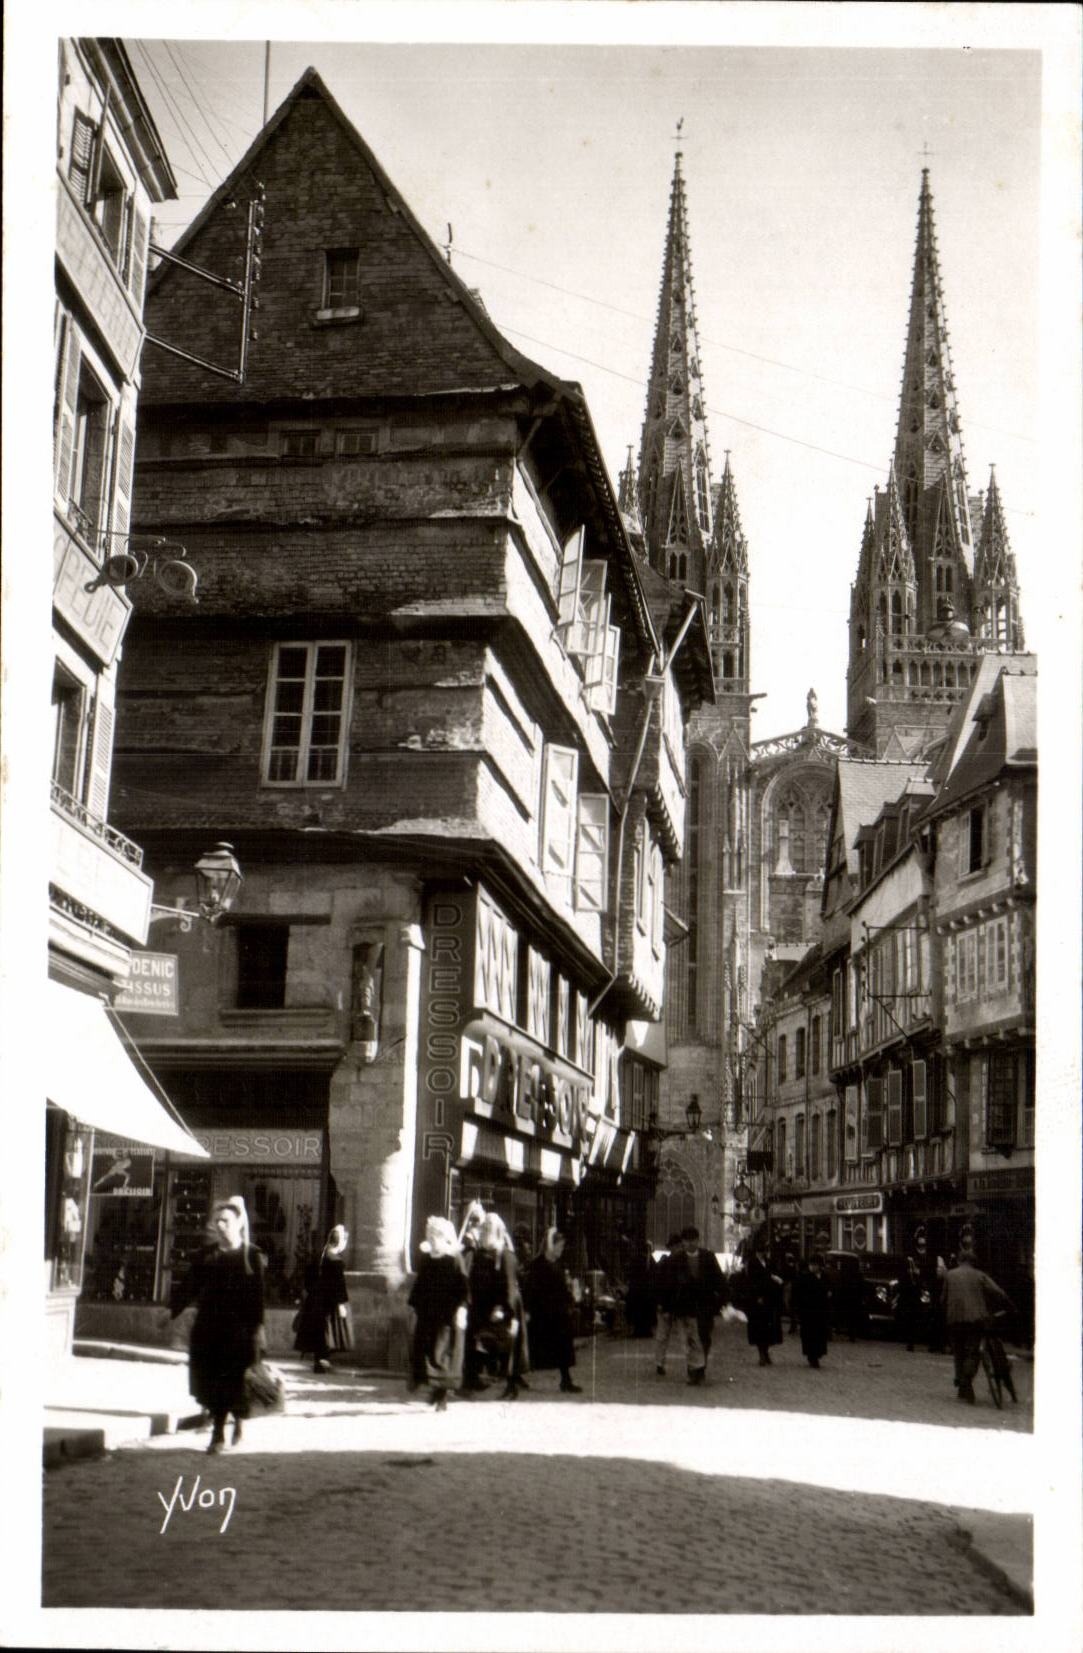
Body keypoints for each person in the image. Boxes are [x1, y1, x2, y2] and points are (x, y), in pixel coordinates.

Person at [169, 1195, 265, 1453]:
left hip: (239, 1332)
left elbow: (258, 1298)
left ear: (238, 1224)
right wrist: (171, 1311)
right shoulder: (206, 1256)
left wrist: (257, 1332)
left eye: (225, 1221)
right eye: (217, 1221)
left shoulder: (252, 1256)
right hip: (209, 1329)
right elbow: (189, 1286)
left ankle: (230, 1428)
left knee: (234, 1380)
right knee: (211, 1381)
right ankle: (220, 1430)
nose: (220, 1225)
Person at [408, 1216, 469, 1410]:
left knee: (442, 1355)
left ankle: (441, 1395)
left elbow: (463, 1288)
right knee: (423, 1350)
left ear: (444, 1237)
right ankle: (426, 1384)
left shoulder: (454, 1259)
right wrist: (413, 1307)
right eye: (430, 1234)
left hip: (446, 1316)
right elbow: (420, 1284)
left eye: (436, 1235)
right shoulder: (427, 1258)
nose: (432, 1238)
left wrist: (461, 1309)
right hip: (427, 1313)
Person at [467, 1213, 528, 1398]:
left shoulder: (505, 1256)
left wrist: (503, 1309)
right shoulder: (478, 1254)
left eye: (488, 1229)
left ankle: (511, 1385)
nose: (484, 1232)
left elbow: (509, 1285)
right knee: (478, 1342)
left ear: (498, 1232)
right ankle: (474, 1380)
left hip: (500, 1308)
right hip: (481, 1307)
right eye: (483, 1228)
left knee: (506, 1345)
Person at [943, 1248, 1013, 1404]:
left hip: (954, 1319)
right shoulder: (980, 1275)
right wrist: (1008, 1304)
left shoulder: (950, 1275)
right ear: (973, 1262)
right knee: (972, 1351)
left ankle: (961, 1383)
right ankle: (967, 1378)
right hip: (975, 1319)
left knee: (958, 1351)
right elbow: (998, 1292)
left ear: (960, 1260)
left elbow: (943, 1297)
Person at [522, 1227, 583, 1393]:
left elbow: (562, 1288)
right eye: (560, 1246)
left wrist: (570, 1298)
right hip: (542, 1315)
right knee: (534, 1348)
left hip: (557, 1314)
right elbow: (529, 1289)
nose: (561, 1250)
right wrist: (528, 1310)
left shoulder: (558, 1264)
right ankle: (515, 1376)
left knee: (563, 1347)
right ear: (551, 1245)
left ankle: (566, 1379)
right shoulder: (537, 1265)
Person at [669, 1227, 727, 1385]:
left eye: (692, 1240)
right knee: (688, 1340)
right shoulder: (676, 1259)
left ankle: (701, 1368)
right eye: (686, 1241)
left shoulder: (708, 1257)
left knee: (704, 1338)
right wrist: (669, 1305)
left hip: (705, 1306)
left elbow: (719, 1280)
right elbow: (669, 1284)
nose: (690, 1244)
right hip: (685, 1307)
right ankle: (692, 1371)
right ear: (683, 1242)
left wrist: (723, 1301)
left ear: (697, 1240)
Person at [294, 1224, 351, 1373]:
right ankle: (322, 1361)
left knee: (320, 1331)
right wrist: (341, 1304)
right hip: (328, 1302)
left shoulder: (320, 1255)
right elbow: (339, 1284)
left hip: (316, 1300)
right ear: (340, 1242)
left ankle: (319, 1362)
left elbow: (308, 1277)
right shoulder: (336, 1261)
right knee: (328, 1333)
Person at [743, 1246, 784, 1367]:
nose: (762, 1254)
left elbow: (772, 1275)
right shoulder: (752, 1263)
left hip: (769, 1299)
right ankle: (761, 1354)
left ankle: (766, 1352)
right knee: (759, 1327)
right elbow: (751, 1281)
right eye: (760, 1251)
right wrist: (757, 1296)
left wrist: (775, 1278)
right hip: (758, 1301)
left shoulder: (768, 1262)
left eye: (764, 1252)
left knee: (768, 1328)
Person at [793, 1254, 831, 1369]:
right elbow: (799, 1294)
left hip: (821, 1311)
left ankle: (817, 1354)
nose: (812, 1267)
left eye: (814, 1265)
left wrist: (829, 1294)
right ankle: (812, 1357)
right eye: (811, 1265)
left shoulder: (824, 1277)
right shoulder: (805, 1278)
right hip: (809, 1311)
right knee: (809, 1335)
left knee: (819, 1334)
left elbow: (829, 1289)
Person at [652, 1234, 683, 1377]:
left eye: (678, 1246)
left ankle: (660, 1363)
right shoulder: (665, 1263)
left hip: (679, 1305)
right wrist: (660, 1304)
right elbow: (659, 1285)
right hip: (667, 1305)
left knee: (667, 1336)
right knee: (663, 1336)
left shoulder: (682, 1263)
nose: (677, 1249)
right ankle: (659, 1363)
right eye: (675, 1246)